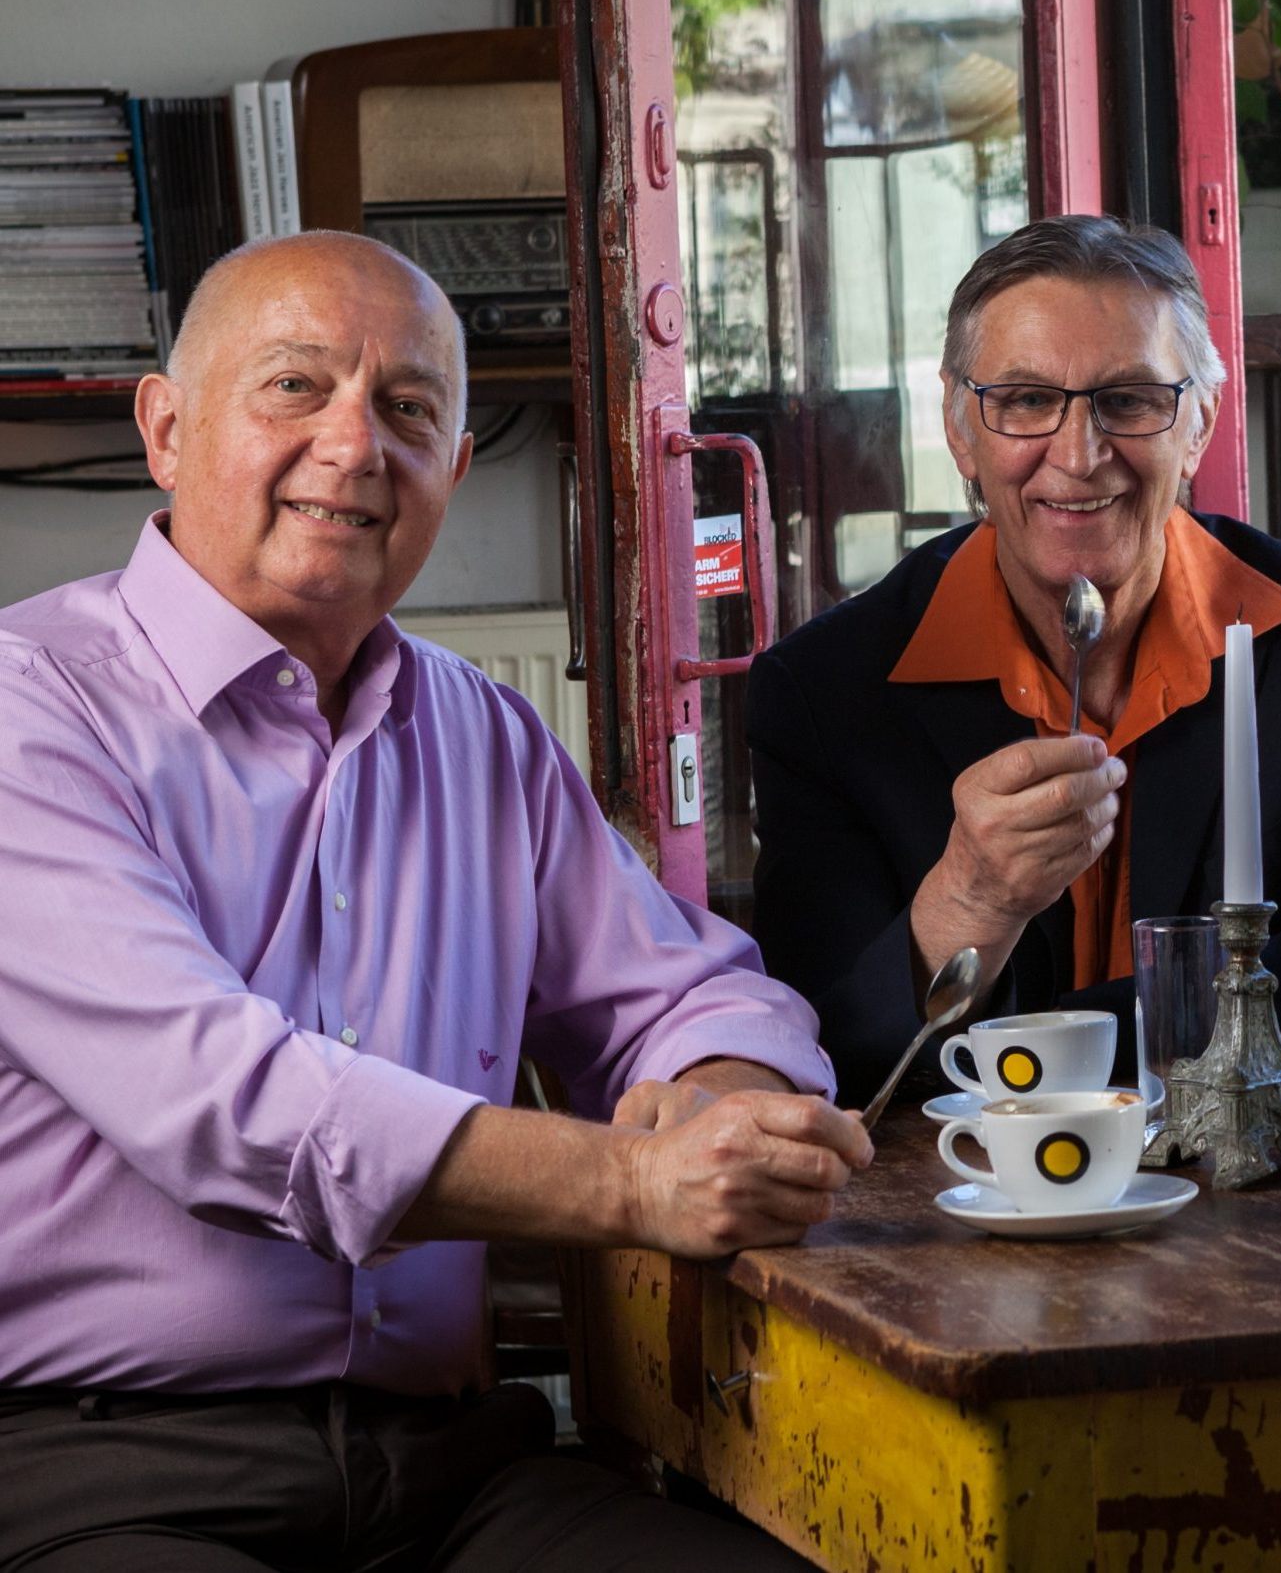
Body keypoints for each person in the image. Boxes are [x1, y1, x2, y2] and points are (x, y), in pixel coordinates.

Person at [0, 231, 865, 1571]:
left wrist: (724, 1100)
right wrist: (636, 1179)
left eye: (407, 409)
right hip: (105, 1466)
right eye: (295, 385)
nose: (355, 445)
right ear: (166, 429)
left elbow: (689, 990)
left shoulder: (483, 735)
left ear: (451, 470)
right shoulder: (31, 708)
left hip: (455, 1466)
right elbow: (223, 1102)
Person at [745, 214, 1281, 1107]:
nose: (1079, 455)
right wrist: (971, 899)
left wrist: (1084, 1029)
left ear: (1199, 421)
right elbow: (807, 1047)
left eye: (1129, 400)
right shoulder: (824, 691)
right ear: (960, 426)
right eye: (1026, 400)